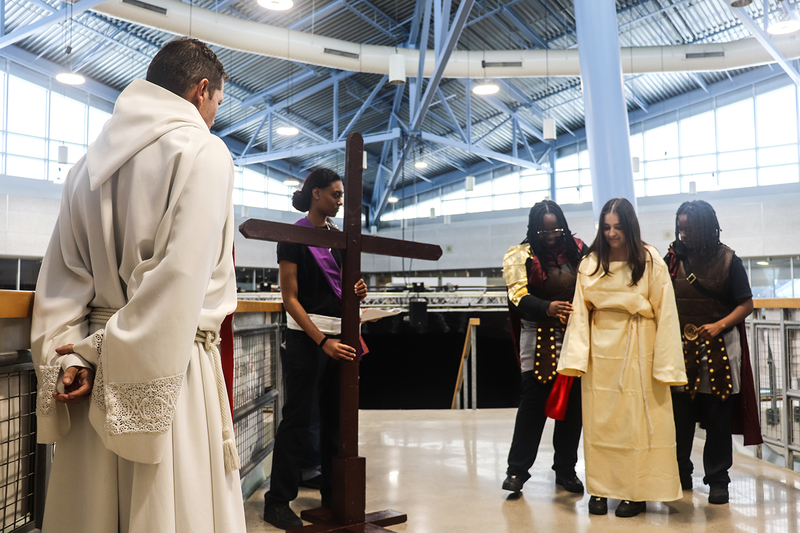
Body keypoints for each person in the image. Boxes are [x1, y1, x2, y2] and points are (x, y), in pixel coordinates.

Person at [30, 38, 246, 533]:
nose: (215, 114)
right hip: (169, 369)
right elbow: (179, 281)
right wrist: (104, 348)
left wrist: (71, 356)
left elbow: (60, 283)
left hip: (86, 376)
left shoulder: (85, 168)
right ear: (201, 90)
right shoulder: (203, 152)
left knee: (94, 512)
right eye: (217, 102)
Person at [557, 197, 687, 518]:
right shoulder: (590, 263)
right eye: (606, 227)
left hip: (639, 345)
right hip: (601, 354)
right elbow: (580, 311)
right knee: (601, 423)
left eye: (617, 227)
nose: (612, 233)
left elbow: (666, 312)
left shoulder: (650, 260)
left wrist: (667, 363)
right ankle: (601, 488)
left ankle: (635, 491)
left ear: (629, 226)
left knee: (636, 423)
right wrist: (576, 358)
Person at [263, 168, 368, 530]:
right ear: (316, 194)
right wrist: (322, 341)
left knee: (336, 422)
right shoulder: (293, 236)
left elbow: (343, 288)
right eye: (336, 194)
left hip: (342, 340)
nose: (340, 201)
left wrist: (358, 291)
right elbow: (290, 300)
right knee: (297, 419)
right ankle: (277, 502)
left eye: (341, 195)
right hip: (308, 340)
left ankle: (332, 496)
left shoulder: (339, 238)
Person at [664, 200, 762, 505]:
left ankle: (718, 479)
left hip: (720, 349)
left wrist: (719, 325)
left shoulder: (729, 260)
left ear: (706, 228)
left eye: (689, 229)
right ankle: (680, 471)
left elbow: (746, 304)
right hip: (679, 349)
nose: (683, 235)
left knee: (717, 418)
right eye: (680, 228)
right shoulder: (671, 260)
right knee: (679, 417)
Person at [501, 200, 585, 495]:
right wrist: (548, 308)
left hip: (574, 335)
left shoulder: (578, 249)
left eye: (557, 230)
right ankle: (517, 471)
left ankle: (565, 470)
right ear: (534, 229)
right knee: (533, 404)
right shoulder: (518, 255)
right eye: (545, 231)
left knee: (573, 407)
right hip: (536, 336)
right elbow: (517, 296)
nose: (551, 236)